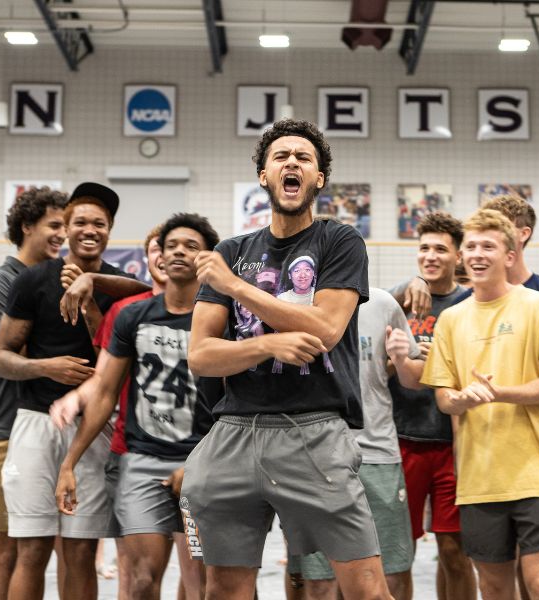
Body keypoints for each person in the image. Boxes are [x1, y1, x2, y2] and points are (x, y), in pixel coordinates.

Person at [182, 119, 391, 599]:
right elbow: (201, 354)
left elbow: (324, 327)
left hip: (314, 431)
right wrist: (264, 345)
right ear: (263, 175)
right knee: (224, 590)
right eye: (280, 156)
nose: (291, 162)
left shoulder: (338, 242)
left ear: (319, 178)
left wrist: (235, 286)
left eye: (304, 157)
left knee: (366, 590)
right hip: (234, 432)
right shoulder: (232, 250)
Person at [55, 213, 222, 600]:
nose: (179, 251)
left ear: (207, 258)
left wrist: (202, 464)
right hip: (142, 464)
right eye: (171, 245)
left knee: (202, 584)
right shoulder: (133, 316)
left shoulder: (221, 318)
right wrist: (70, 462)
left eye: (191, 246)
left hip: (202, 466)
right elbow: (104, 392)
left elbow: (237, 402)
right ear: (159, 257)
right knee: (142, 579)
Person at [0, 182, 148, 600]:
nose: (89, 229)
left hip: (94, 427)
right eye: (79, 221)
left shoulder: (121, 286)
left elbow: (147, 301)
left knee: (81, 551)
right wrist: (48, 367)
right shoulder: (32, 280)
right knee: (32, 550)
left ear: (110, 230)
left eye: (99, 223)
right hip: (35, 421)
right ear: (65, 227)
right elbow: (2, 358)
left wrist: (91, 288)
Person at [422, 209, 539, 600]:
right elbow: (444, 398)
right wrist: (461, 399)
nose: (477, 254)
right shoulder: (452, 320)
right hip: (480, 480)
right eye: (471, 246)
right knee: (492, 587)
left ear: (509, 255)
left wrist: (500, 393)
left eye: (488, 246)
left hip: (538, 475)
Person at [51, 223, 166, 598]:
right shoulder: (126, 311)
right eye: (157, 249)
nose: (167, 255)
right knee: (136, 574)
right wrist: (78, 397)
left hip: (196, 458)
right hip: (135, 455)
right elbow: (106, 377)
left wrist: (89, 279)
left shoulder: (211, 310)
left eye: (180, 246)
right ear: (146, 258)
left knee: (202, 575)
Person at [292, 285, 426, 600]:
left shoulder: (381, 303)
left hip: (377, 453)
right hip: (311, 459)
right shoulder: (292, 302)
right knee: (320, 582)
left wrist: (403, 358)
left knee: (391, 575)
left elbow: (414, 378)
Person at [0, 185, 69, 598]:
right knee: (5, 547)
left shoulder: (60, 278)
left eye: (66, 225)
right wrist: (58, 360)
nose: (62, 234)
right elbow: (11, 352)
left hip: (47, 426)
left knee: (49, 547)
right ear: (26, 226)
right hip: (3, 429)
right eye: (54, 225)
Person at [387, 211, 475, 600]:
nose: (431, 256)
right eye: (424, 248)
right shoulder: (396, 299)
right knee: (398, 554)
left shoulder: (471, 303)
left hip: (454, 443)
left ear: (458, 256)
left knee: (455, 553)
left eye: (441, 249)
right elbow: (371, 365)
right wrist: (401, 359)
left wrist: (442, 356)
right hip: (403, 440)